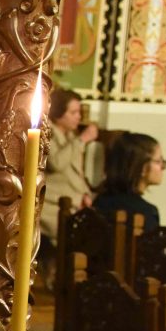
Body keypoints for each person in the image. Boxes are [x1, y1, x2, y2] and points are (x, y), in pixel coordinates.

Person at [40, 88, 98, 243]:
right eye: (73, 113)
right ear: (58, 114)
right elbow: (56, 163)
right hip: (52, 208)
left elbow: (77, 174)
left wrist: (85, 194)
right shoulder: (47, 133)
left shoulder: (71, 136)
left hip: (73, 206)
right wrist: (82, 140)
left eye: (79, 112)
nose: (78, 117)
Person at [94, 132, 166, 233]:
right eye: (159, 161)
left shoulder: (99, 201)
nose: (163, 167)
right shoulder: (146, 212)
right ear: (143, 168)